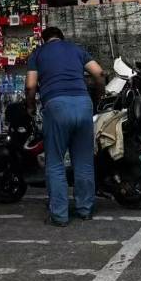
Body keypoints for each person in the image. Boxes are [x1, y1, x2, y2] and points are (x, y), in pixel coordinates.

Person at [25, 27, 106, 226]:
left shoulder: (38, 54)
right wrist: (100, 94)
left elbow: (30, 85)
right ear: (62, 38)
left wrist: (30, 106)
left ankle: (60, 215)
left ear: (44, 40)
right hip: (84, 104)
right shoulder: (76, 49)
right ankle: (85, 209)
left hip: (56, 106)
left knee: (55, 163)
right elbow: (99, 72)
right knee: (84, 162)